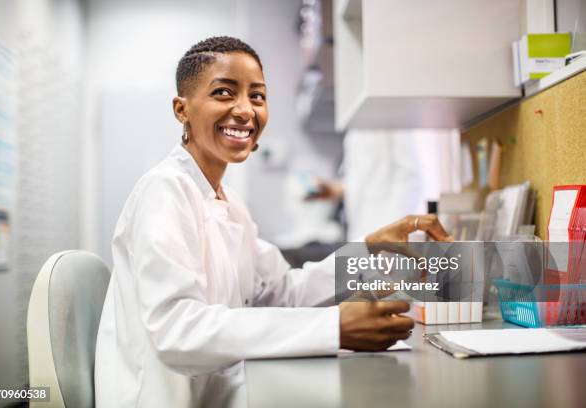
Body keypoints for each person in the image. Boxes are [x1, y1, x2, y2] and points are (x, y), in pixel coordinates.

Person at [94, 36, 452, 407]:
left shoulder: (229, 204)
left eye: (258, 96)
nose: (246, 110)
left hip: (216, 389)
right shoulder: (164, 190)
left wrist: (368, 250)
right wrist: (334, 328)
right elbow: (177, 331)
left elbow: (282, 292)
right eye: (223, 92)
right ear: (181, 109)